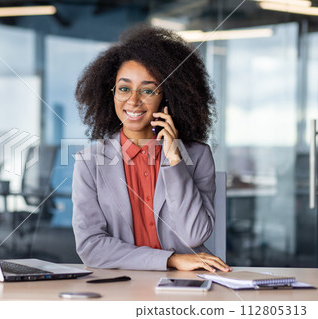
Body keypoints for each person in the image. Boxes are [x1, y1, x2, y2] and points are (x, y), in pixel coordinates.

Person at [72, 25, 231, 273]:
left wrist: (174, 159)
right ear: (111, 93)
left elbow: (194, 236)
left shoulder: (197, 156)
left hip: (186, 285)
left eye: (148, 90)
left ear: (167, 96)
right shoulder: (89, 162)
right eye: (124, 89)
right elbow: (91, 247)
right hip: (121, 284)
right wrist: (169, 260)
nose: (133, 101)